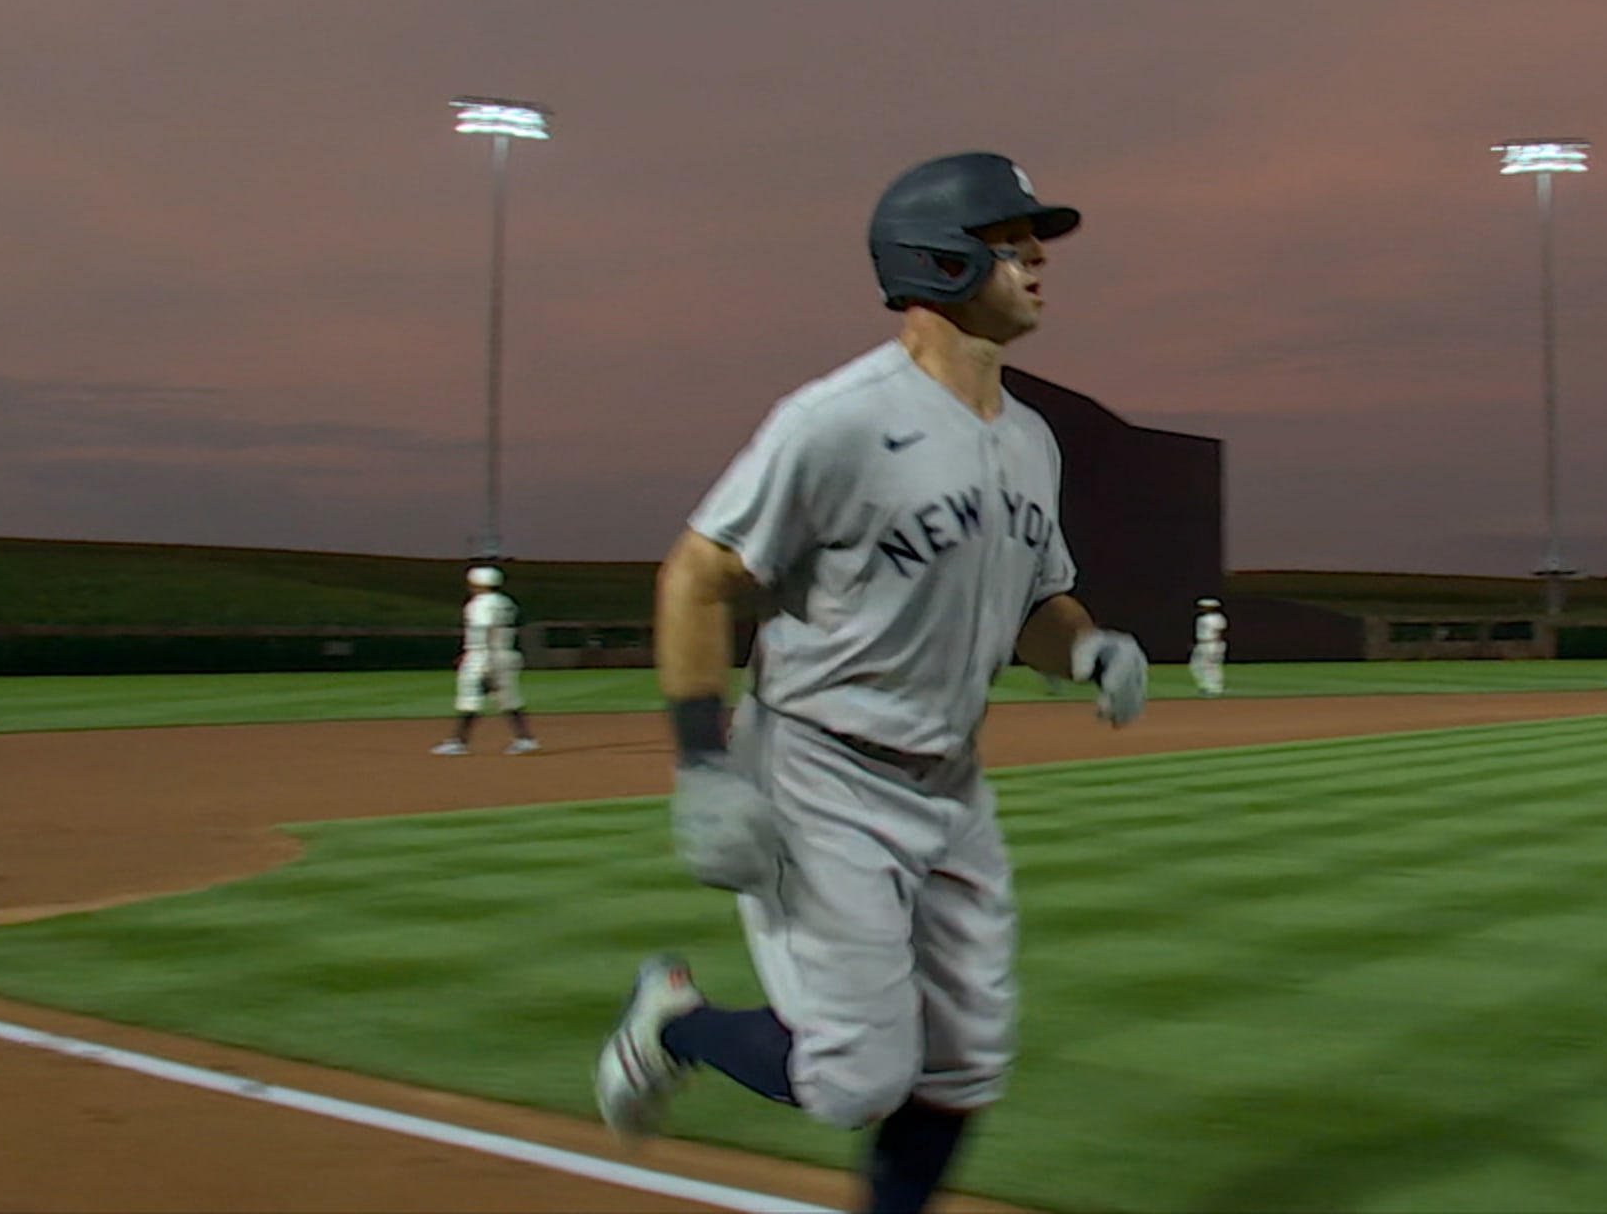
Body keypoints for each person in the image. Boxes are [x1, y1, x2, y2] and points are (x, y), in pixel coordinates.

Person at [591, 151, 1150, 1214]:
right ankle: (675, 1023)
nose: (1036, 259)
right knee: (856, 1079)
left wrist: (1083, 649)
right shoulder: (836, 420)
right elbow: (697, 576)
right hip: (821, 771)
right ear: (939, 264)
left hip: (948, 782)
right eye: (1009, 241)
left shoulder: (1030, 441)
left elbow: (1040, 599)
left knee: (963, 1066)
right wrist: (704, 766)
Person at [433, 565, 537, 755]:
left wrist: (485, 665)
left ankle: (458, 742)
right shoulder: (506, 602)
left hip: (483, 655)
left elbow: (483, 629)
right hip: (506, 653)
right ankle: (525, 739)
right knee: (508, 698)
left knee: (469, 697)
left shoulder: (480, 603)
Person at [1190, 596, 1228, 697]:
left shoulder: (1217, 618)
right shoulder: (1204, 618)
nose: (1202, 608)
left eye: (1204, 607)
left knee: (1210, 666)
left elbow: (1219, 632)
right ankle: (1207, 685)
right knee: (1196, 665)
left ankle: (1214, 688)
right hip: (1203, 643)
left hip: (1211, 643)